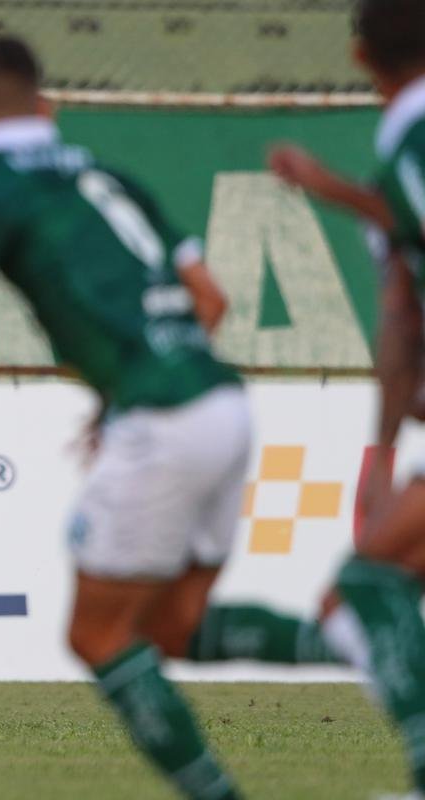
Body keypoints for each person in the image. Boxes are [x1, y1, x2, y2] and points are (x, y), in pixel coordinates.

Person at [0, 37, 249, 799]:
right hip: (224, 400)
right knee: (174, 626)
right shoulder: (111, 175)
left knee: (96, 634)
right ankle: (363, 641)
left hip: (163, 420)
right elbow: (211, 301)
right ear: (49, 108)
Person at [182, 0, 425, 794]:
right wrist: (382, 450)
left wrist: (326, 186)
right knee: (372, 583)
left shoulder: (411, 134)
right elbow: (399, 318)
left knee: (367, 584)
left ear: (359, 57)